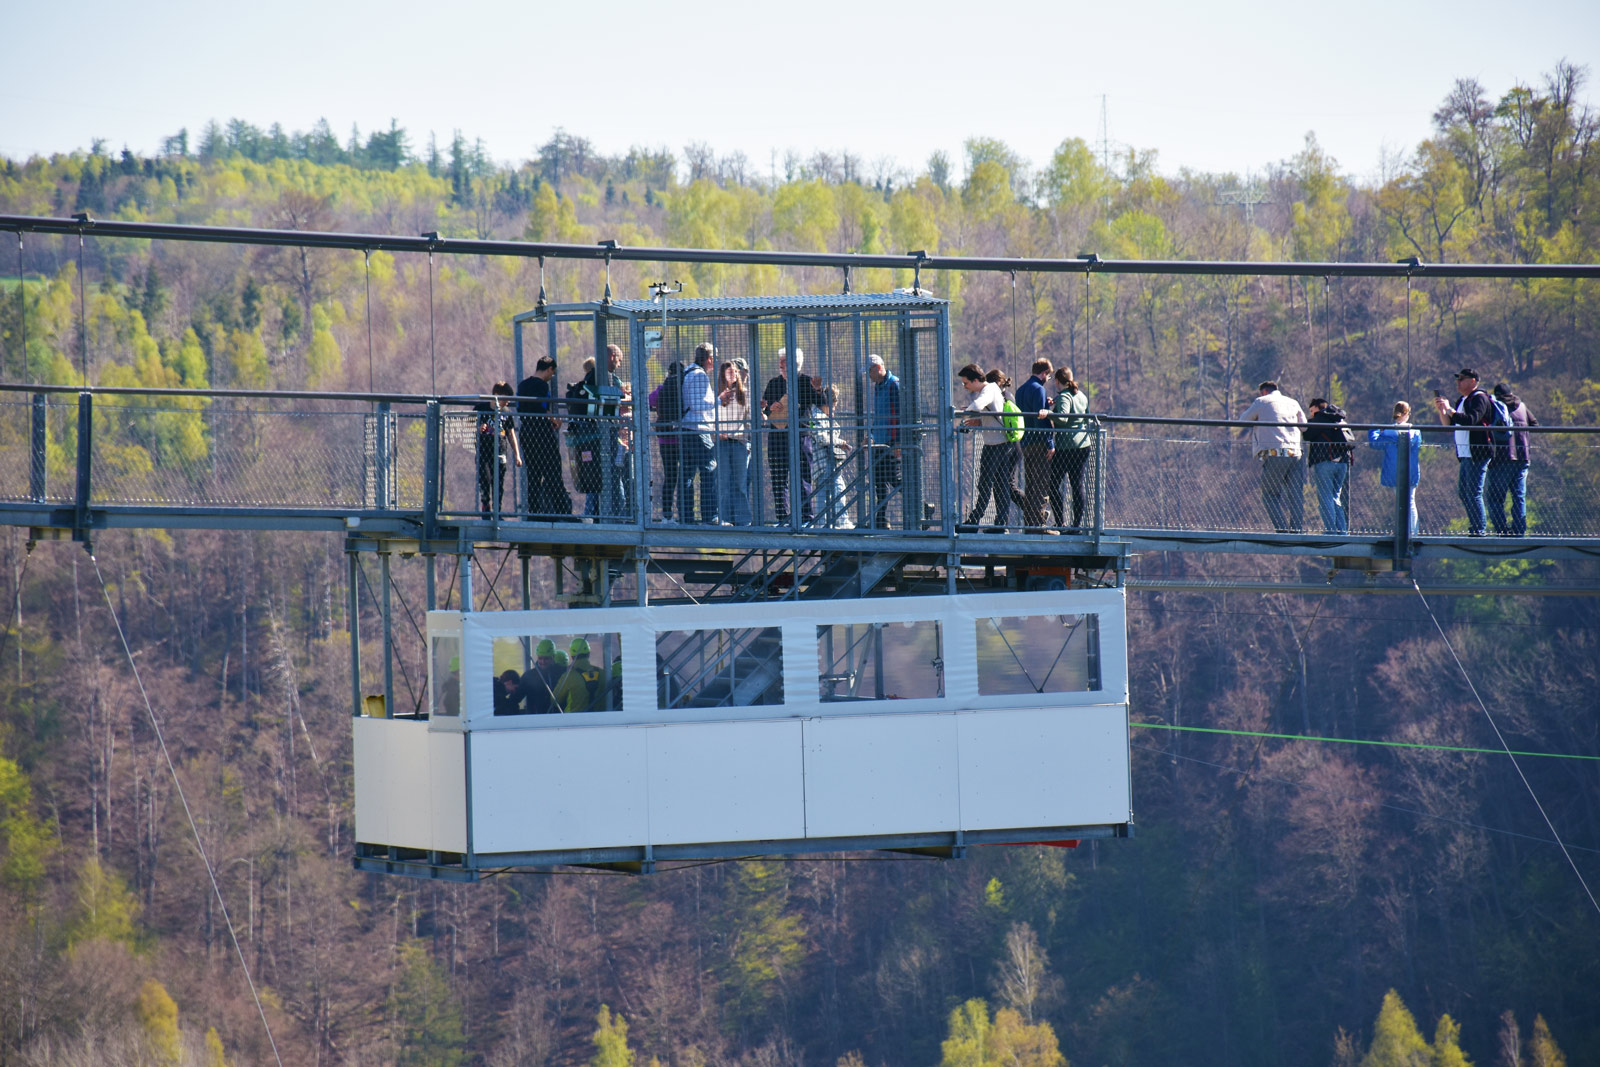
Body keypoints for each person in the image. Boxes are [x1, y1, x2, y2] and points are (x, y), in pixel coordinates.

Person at [1433, 367, 1494, 536]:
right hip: (1466, 454)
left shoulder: (1479, 398)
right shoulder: (1462, 400)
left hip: (1477, 452)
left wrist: (1451, 410)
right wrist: (1442, 411)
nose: (1458, 383)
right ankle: (1475, 526)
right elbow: (1449, 425)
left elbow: (1471, 420)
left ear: (1473, 381)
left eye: (1462, 379)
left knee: (1474, 492)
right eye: (1457, 379)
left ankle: (1479, 529)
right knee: (1464, 492)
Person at [1239, 380, 1306, 533]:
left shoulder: (1261, 401)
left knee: (1269, 494)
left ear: (1263, 392)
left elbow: (1243, 420)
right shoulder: (1293, 402)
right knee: (1295, 495)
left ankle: (1282, 531)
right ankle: (1296, 531)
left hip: (1275, 453)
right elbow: (1304, 426)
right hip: (1295, 453)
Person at [760, 348, 818, 525]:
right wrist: (770, 408)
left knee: (802, 477)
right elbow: (763, 409)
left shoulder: (806, 382)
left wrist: (819, 390)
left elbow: (824, 405)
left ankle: (806, 517)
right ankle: (783, 518)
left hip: (800, 436)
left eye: (785, 366)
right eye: (780, 366)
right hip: (777, 436)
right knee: (778, 477)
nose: (782, 370)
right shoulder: (773, 383)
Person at [957, 364, 1013, 532]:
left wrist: (965, 413)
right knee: (1001, 484)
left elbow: (978, 405)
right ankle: (1001, 524)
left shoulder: (987, 390)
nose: (965, 387)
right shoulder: (993, 388)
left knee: (985, 484)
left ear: (975, 380)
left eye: (966, 383)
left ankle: (973, 523)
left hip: (995, 446)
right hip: (1000, 444)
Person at [516, 356, 570, 519]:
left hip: (526, 432)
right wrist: (555, 420)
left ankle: (534, 512)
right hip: (541, 433)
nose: (551, 377)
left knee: (533, 474)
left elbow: (521, 407)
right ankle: (562, 512)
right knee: (553, 470)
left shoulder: (523, 384)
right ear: (549, 369)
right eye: (552, 373)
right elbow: (539, 408)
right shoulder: (541, 385)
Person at [1488, 382, 1538, 537]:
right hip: (1523, 458)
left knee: (1496, 498)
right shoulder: (1522, 406)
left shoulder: (1496, 407)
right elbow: (1535, 425)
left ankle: (1502, 530)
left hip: (1502, 458)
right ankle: (1519, 531)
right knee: (1518, 497)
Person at [677, 342, 720, 524]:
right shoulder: (700, 376)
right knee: (710, 468)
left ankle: (686, 517)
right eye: (714, 360)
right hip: (697, 429)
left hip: (685, 429)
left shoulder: (687, 372)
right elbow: (697, 405)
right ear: (709, 359)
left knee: (687, 473)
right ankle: (710, 516)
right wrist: (719, 400)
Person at [1043, 367, 1091, 530]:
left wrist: (1048, 413)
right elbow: (1086, 417)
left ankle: (1061, 522)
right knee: (1077, 485)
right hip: (1083, 445)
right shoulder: (1081, 395)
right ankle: (1076, 525)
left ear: (1057, 381)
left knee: (1053, 483)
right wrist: (1055, 403)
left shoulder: (1064, 396)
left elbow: (1062, 419)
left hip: (1066, 447)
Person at [1367, 401, 1421, 535]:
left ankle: (1404, 532)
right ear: (1406, 414)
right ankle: (1411, 532)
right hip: (1411, 471)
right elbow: (1418, 445)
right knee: (1410, 502)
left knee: (1402, 503)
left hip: (1395, 471)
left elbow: (1374, 443)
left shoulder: (1388, 433)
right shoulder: (1415, 433)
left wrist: (1373, 429)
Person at [1304, 397, 1354, 534]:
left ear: (1319, 408)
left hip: (1325, 461)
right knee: (1335, 496)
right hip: (1343, 463)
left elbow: (1307, 435)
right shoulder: (1340, 419)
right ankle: (1342, 531)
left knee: (1325, 496)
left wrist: (1308, 422)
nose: (1311, 414)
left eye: (1312, 410)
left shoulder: (1320, 418)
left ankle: (1331, 530)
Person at [1015, 358, 1053, 530]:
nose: (1048, 379)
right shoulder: (1039, 389)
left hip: (1025, 441)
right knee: (1040, 484)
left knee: (1030, 484)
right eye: (1049, 376)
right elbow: (1041, 419)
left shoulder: (1020, 390)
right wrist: (1050, 443)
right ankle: (1039, 525)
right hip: (1039, 442)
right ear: (1044, 373)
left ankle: (1030, 523)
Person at [474, 381, 523, 517]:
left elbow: (511, 434)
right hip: (483, 451)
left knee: (498, 483)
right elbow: (469, 425)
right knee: (484, 479)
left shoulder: (506, 412)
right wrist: (478, 428)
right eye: (505, 398)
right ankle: (485, 506)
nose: (507, 402)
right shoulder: (481, 407)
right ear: (496, 395)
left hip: (500, 451)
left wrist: (517, 455)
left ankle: (497, 511)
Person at [865, 353, 902, 528]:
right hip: (878, 442)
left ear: (878, 368)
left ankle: (921, 506)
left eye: (870, 372)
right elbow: (879, 416)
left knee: (893, 478)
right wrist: (871, 436)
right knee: (878, 480)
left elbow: (900, 415)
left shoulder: (894, 385)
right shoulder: (878, 387)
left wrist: (898, 442)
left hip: (890, 442)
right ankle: (881, 519)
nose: (869, 376)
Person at [810, 383, 854, 528]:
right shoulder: (815, 416)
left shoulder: (821, 416)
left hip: (827, 461)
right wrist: (840, 442)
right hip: (824, 461)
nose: (835, 408)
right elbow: (821, 437)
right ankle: (841, 521)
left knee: (825, 492)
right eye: (834, 404)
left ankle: (823, 523)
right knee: (838, 489)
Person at [716, 357, 754, 526]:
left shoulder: (744, 393)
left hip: (739, 441)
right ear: (723, 375)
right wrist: (717, 432)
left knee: (740, 482)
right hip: (722, 442)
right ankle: (723, 519)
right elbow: (711, 417)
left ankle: (743, 520)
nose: (732, 374)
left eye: (735, 372)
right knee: (723, 481)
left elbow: (750, 417)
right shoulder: (717, 395)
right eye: (729, 372)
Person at [648, 360, 684, 522]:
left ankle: (666, 515)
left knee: (670, 476)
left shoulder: (661, 389)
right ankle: (685, 514)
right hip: (683, 438)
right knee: (685, 476)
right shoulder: (684, 388)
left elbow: (648, 401)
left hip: (665, 439)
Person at [551, 637, 606, 714]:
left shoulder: (568, 676)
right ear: (588, 653)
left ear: (572, 656)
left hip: (573, 721)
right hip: (600, 720)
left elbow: (554, 700)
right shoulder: (603, 674)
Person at [516, 638, 563, 715]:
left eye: (546, 658)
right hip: (535, 720)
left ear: (553, 657)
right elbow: (516, 698)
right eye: (540, 658)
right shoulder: (529, 676)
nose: (543, 662)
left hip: (558, 718)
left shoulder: (561, 672)